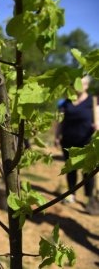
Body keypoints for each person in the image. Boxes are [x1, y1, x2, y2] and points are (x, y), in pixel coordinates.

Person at [55, 75, 97, 205]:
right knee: (70, 168)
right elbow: (59, 121)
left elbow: (97, 119)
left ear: (87, 86)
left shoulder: (93, 101)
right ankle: (71, 194)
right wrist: (56, 136)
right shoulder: (66, 102)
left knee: (88, 171)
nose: (80, 86)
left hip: (86, 141)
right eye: (78, 83)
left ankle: (89, 197)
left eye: (83, 84)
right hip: (68, 141)